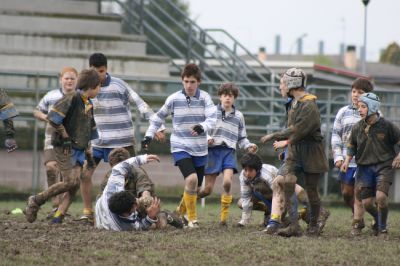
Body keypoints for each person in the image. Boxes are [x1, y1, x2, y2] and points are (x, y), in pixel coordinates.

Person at [78, 53, 164, 224]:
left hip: (122, 141)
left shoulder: (119, 85)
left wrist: (157, 126)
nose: (99, 75)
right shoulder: (86, 89)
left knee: (135, 174)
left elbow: (140, 103)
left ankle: (142, 209)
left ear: (106, 69)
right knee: (84, 174)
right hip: (97, 142)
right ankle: (88, 211)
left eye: (101, 71)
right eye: (95, 71)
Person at [142, 63, 217, 228]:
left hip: (200, 148)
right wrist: (148, 136)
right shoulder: (174, 98)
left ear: (199, 82)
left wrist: (202, 126)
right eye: (186, 81)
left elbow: (213, 118)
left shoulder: (205, 98)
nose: (189, 85)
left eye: (192, 82)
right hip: (180, 146)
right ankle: (192, 220)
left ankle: (178, 213)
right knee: (191, 179)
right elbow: (158, 118)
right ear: (182, 81)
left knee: (194, 188)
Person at [24, 69, 100, 224]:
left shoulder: (89, 104)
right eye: (99, 86)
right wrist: (65, 137)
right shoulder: (71, 98)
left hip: (78, 149)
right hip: (64, 147)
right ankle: (37, 200)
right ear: (92, 86)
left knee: (75, 184)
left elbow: (88, 131)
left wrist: (89, 154)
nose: (100, 90)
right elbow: (53, 119)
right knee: (69, 182)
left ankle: (58, 217)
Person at [261, 68, 329, 236]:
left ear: (291, 84)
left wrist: (275, 135)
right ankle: (293, 225)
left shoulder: (309, 105)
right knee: (286, 181)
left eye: (281, 83)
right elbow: (294, 131)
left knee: (312, 189)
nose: (279, 87)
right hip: (295, 151)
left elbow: (298, 129)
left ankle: (314, 223)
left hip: (312, 152)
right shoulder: (293, 103)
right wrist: (287, 148)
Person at [196, 83, 257, 226]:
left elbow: (242, 138)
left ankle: (223, 218)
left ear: (234, 98)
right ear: (220, 97)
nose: (227, 98)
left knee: (227, 182)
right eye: (225, 95)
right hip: (212, 152)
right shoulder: (211, 112)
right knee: (207, 190)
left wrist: (248, 146)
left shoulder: (239, 116)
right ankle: (187, 202)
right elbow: (202, 130)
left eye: (230, 95)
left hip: (229, 152)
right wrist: (207, 139)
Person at [341, 92, 400, 238]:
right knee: (367, 203)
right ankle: (378, 219)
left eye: (363, 107)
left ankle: (383, 229)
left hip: (383, 166)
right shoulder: (357, 127)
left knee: (380, 198)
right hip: (364, 168)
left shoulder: (387, 126)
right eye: (358, 107)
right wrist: (347, 161)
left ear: (372, 107)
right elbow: (351, 147)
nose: (359, 110)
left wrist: (399, 156)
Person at [98, 148, 183, 229]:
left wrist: (143, 207)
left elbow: (146, 192)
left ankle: (162, 215)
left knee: (149, 206)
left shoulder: (138, 172)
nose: (123, 173)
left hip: (139, 208)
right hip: (120, 210)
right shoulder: (111, 178)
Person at [331, 77, 373, 235]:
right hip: (346, 161)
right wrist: (338, 157)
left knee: (359, 193)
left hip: (365, 162)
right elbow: (336, 135)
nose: (355, 95)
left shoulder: (374, 114)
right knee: (346, 193)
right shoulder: (343, 112)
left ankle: (357, 223)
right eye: (354, 91)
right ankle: (358, 216)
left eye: (360, 92)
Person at [33, 67, 78, 211]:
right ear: (61, 79)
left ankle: (61, 209)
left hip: (72, 136)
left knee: (67, 174)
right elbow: (36, 111)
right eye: (66, 78)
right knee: (51, 167)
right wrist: (46, 117)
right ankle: (55, 201)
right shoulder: (51, 95)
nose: (69, 81)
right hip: (52, 135)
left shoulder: (80, 98)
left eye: (72, 78)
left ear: (77, 80)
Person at [236, 153, 310, 231]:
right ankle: (268, 210)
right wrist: (244, 221)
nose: (247, 173)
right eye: (245, 170)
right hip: (264, 195)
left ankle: (302, 213)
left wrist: (279, 213)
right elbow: (246, 197)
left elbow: (279, 195)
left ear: (257, 169)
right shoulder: (243, 176)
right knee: (241, 203)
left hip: (280, 194)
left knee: (280, 222)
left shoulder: (267, 174)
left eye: (250, 170)